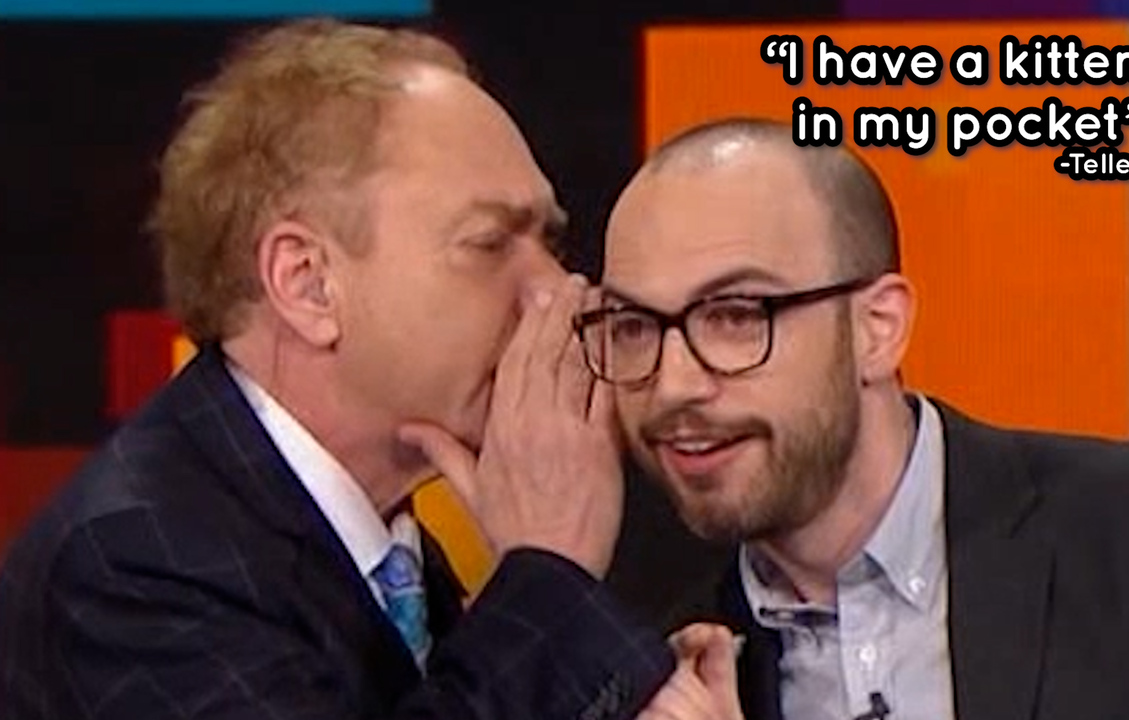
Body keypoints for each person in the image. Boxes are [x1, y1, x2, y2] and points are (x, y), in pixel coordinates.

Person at [0, 19, 678, 720]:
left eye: (549, 242)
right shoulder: (134, 564)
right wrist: (552, 575)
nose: (554, 290)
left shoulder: (386, 550)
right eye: (489, 243)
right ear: (307, 285)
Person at [586, 117, 1129, 720]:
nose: (672, 385)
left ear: (877, 329)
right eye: (633, 326)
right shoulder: (660, 671)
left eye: (736, 316)